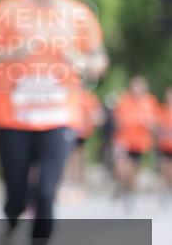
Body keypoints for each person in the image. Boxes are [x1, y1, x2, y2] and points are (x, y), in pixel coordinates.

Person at [0, 0, 107, 245]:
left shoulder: (79, 14)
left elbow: (99, 62)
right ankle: (11, 224)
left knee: (48, 194)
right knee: (16, 198)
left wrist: (80, 60)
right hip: (13, 117)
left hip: (59, 117)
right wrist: (14, 52)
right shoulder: (6, 9)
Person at [112, 76, 159, 204]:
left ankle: (128, 191)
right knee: (121, 167)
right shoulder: (124, 100)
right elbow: (117, 118)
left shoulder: (150, 101)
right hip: (123, 139)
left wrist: (149, 123)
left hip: (139, 142)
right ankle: (121, 185)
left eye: (139, 87)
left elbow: (155, 121)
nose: (137, 89)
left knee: (133, 169)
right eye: (134, 86)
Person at [62, 85, 104, 201]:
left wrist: (94, 120)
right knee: (69, 158)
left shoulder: (90, 97)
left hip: (83, 133)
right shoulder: (69, 95)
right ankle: (68, 185)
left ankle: (79, 185)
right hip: (69, 130)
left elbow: (98, 115)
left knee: (79, 158)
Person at [157, 87, 172, 201]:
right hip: (164, 145)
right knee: (164, 170)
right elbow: (157, 127)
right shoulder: (162, 110)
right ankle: (165, 190)